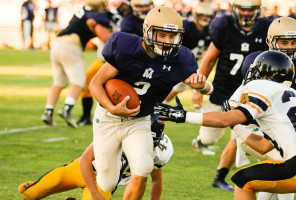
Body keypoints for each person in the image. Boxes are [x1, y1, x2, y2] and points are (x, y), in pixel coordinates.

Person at [88, 6, 212, 200]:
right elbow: (95, 83)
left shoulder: (181, 59)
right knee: (108, 181)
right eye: (161, 35)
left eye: (172, 36)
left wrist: (203, 86)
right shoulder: (125, 46)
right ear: (147, 31)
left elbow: (204, 87)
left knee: (143, 167)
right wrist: (113, 107)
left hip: (139, 119)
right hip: (108, 117)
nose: (167, 41)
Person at [154, 50, 296, 200]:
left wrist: (184, 116)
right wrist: (237, 128)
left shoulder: (261, 87)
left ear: (265, 75)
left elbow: (225, 119)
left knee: (243, 181)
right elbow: (264, 146)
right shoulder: (295, 95)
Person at [211, 15, 296, 194]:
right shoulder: (258, 60)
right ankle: (221, 174)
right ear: (271, 41)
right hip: (256, 129)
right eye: (284, 42)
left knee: (270, 178)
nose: (290, 48)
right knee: (284, 165)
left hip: (284, 132)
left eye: (293, 42)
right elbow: (246, 98)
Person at [190, 0, 271, 190]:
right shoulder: (224, 25)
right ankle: (201, 141)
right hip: (223, 90)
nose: (245, 13)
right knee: (210, 139)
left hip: (249, 92)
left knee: (239, 135)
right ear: (235, 9)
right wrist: (197, 89)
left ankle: (220, 177)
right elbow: (210, 58)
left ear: (258, 11)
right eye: (242, 8)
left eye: (250, 9)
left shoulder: (266, 28)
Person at [18, 114, 174, 200]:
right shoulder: (117, 130)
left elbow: (156, 179)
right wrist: (93, 193)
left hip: (105, 184)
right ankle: (37, 185)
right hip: (83, 169)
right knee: (29, 194)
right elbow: (85, 160)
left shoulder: (159, 150)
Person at [41, 0, 111, 128]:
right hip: (71, 44)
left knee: (59, 83)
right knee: (80, 82)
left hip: (56, 43)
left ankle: (48, 112)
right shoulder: (95, 14)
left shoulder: (84, 10)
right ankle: (66, 109)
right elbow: (102, 33)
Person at [77, 5, 123, 126]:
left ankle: (113, 116)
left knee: (113, 89)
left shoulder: (127, 22)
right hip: (102, 60)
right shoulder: (103, 18)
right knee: (87, 82)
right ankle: (86, 116)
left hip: (115, 62)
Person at [164, 2, 213, 113]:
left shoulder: (209, 30)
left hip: (188, 64)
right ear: (196, 15)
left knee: (180, 86)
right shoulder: (186, 27)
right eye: (202, 15)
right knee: (196, 84)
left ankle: (162, 102)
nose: (205, 18)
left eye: (207, 16)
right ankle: (199, 108)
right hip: (176, 61)